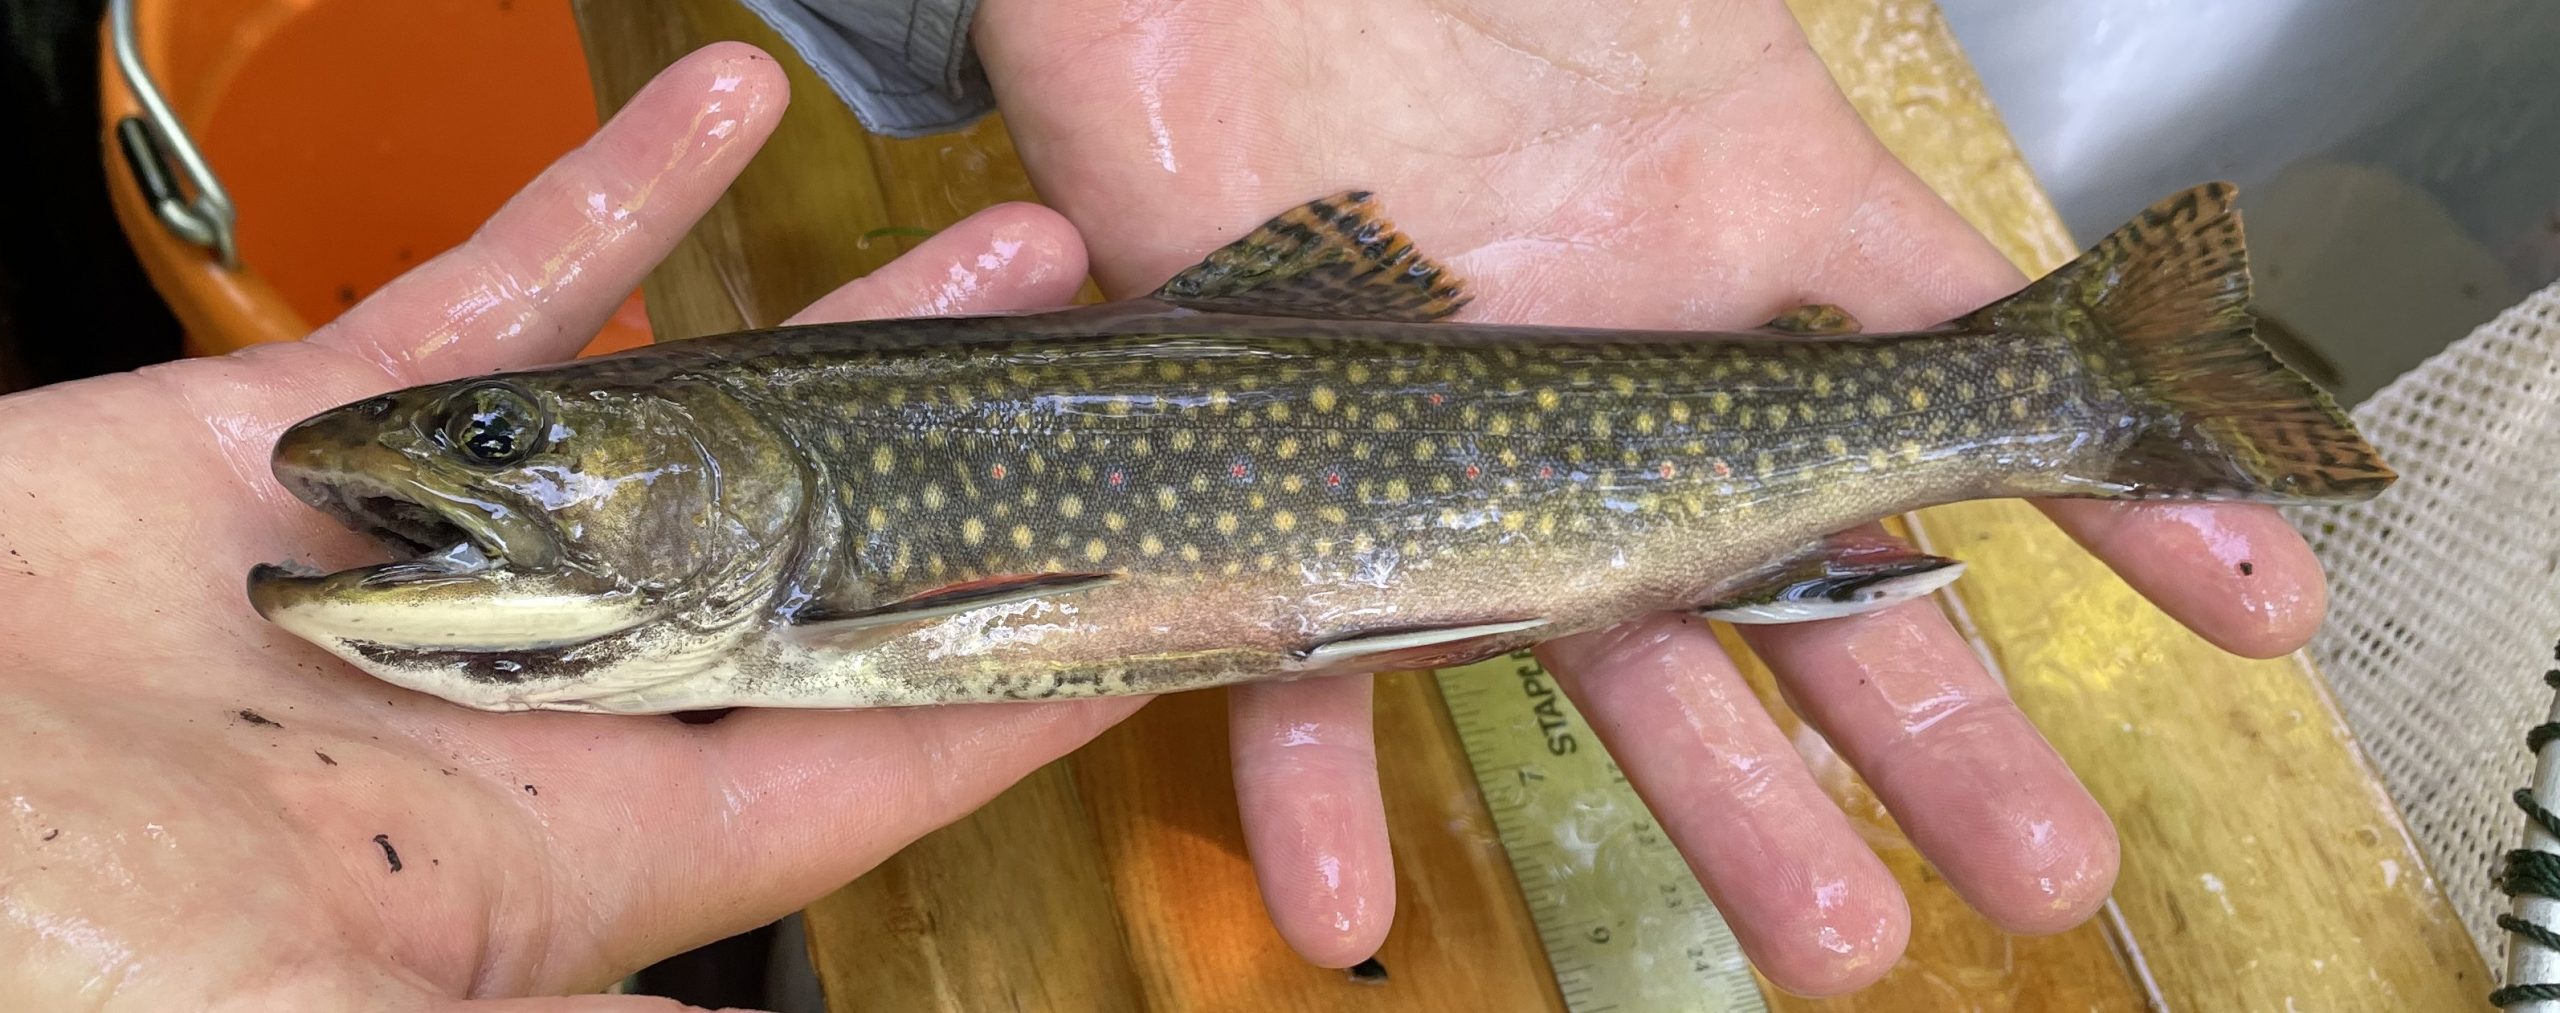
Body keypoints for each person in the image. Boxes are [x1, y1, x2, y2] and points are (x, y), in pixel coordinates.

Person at [0, 5, 2331, 1007]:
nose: (418, 480)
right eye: (492, 457)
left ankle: (2066, 390)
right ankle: (2063, 391)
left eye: (493, 444)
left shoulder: (827, 550)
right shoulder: (772, 538)